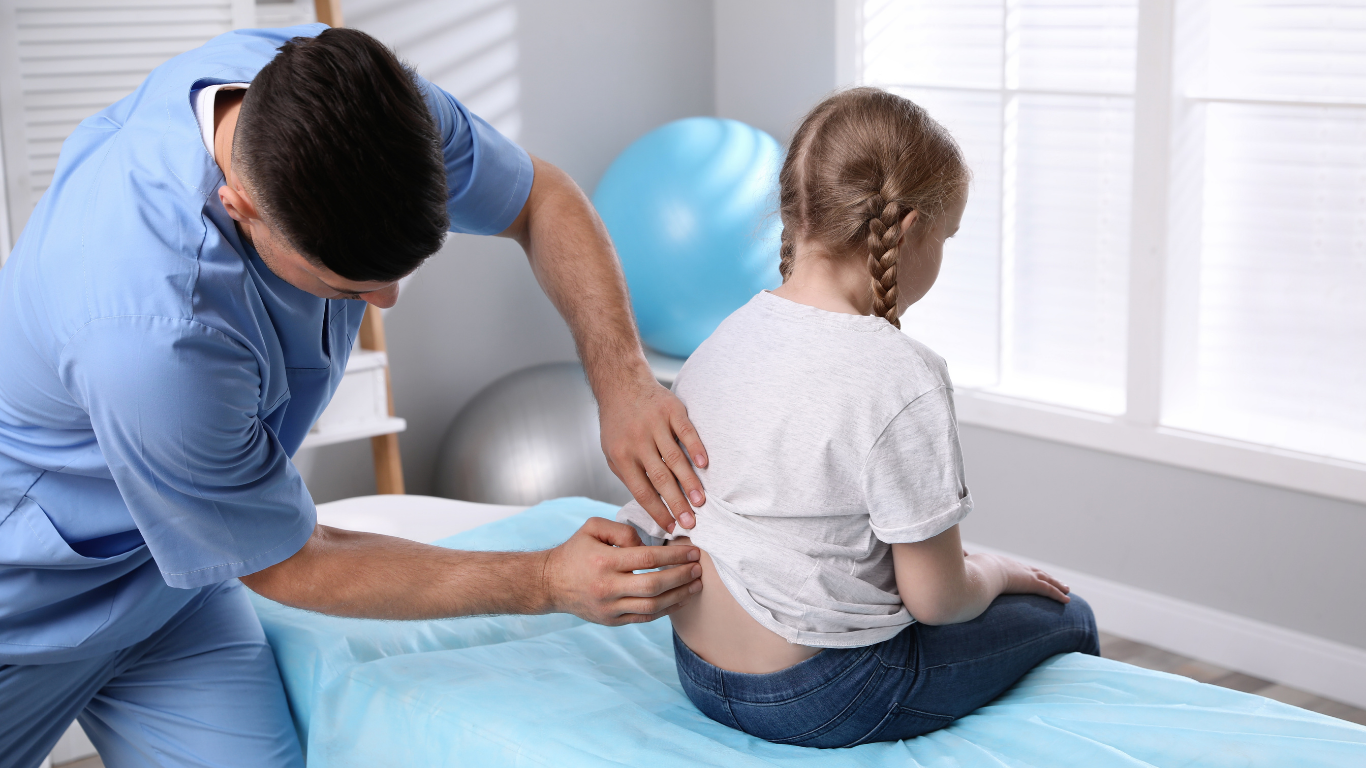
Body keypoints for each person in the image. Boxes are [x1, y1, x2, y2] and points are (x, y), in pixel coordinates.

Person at [0, 25, 706, 768]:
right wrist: (542, 580)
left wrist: (623, 380)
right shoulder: (153, 335)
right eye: (349, 283)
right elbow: (292, 563)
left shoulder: (349, 100)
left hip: (175, 590)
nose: (388, 299)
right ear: (241, 206)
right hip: (30, 605)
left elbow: (539, 198)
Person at [618, 87, 1100, 749]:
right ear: (907, 233)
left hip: (699, 673)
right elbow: (937, 602)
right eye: (946, 237)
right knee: (1071, 617)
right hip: (824, 694)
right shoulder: (901, 373)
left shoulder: (721, 339)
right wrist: (998, 573)